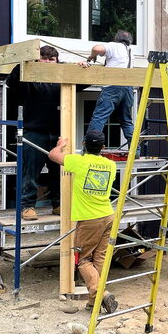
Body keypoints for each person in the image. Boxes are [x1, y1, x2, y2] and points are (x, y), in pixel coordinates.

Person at [48, 130, 118, 314]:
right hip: (108, 216)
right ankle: (93, 303)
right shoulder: (111, 165)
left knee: (84, 260)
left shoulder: (79, 162)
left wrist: (61, 145)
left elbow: (53, 155)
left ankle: (101, 293)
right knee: (100, 258)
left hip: (89, 220)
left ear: (84, 145)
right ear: (103, 147)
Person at [6, 45, 62, 221]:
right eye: (43, 58)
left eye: (51, 59)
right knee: (30, 172)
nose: (47, 62)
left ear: (57, 62)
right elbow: (12, 80)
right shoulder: (28, 79)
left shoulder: (62, 78)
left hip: (58, 133)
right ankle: (27, 206)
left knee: (58, 171)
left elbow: (84, 81)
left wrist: (84, 66)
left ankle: (58, 203)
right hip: (34, 132)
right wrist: (25, 61)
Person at [79, 30, 135, 147]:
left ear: (116, 38)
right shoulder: (130, 51)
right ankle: (135, 150)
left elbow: (97, 48)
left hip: (112, 87)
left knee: (100, 117)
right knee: (126, 120)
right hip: (128, 88)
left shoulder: (114, 46)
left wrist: (92, 56)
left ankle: (90, 146)